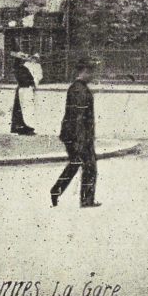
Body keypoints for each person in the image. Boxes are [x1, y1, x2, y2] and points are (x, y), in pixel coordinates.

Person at [50, 58, 99, 207]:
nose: (92, 75)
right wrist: (81, 140)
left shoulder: (77, 87)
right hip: (79, 135)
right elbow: (78, 117)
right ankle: (86, 200)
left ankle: (56, 191)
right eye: (90, 72)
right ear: (84, 72)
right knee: (89, 166)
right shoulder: (80, 90)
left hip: (74, 135)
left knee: (75, 163)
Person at [10, 53, 37, 135]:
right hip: (23, 89)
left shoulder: (22, 68)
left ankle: (21, 125)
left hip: (24, 89)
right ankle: (19, 126)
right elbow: (26, 79)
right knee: (21, 108)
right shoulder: (20, 69)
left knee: (20, 108)